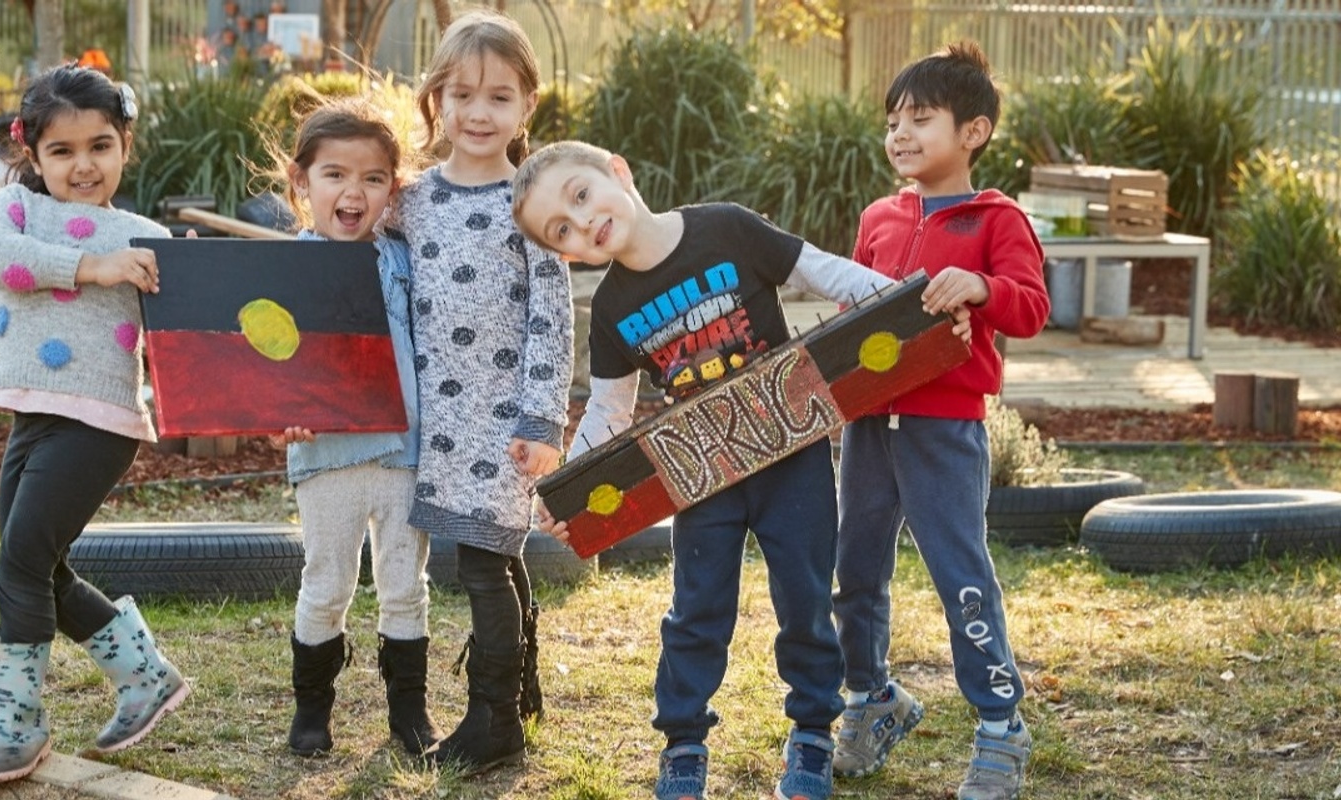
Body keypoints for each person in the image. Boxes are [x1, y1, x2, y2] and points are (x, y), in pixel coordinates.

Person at [514, 139, 969, 800]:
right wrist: (564, 496)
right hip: (701, 475)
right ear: (569, 255)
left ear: (618, 170)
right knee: (696, 611)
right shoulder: (612, 310)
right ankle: (683, 746)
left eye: (581, 197)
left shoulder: (723, 227)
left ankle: (812, 736)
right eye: (564, 229)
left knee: (806, 599)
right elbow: (610, 411)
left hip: (794, 458)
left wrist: (909, 305)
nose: (583, 222)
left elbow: (821, 272)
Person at [829, 41, 1049, 800]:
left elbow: (1030, 308)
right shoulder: (878, 218)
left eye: (921, 118)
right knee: (854, 571)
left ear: (974, 132)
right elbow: (851, 309)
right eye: (894, 120)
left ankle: (999, 727)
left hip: (944, 431)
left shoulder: (997, 217)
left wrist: (982, 287)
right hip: (865, 428)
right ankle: (871, 700)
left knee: (961, 578)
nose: (901, 134)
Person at [0, 64, 190, 785]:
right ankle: (147, 677)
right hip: (32, 414)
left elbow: (207, 317)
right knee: (40, 569)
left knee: (20, 563)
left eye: (100, 146)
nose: (83, 165)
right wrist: (94, 267)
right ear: (32, 154)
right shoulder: (14, 214)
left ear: (126, 145)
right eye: (62, 151)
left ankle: (18, 726)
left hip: (101, 421)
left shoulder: (144, 237)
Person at [388, 8, 573, 772]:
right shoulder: (413, 200)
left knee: (481, 564)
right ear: (436, 99)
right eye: (461, 94)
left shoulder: (536, 205)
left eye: (498, 96)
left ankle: (492, 718)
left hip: (504, 422)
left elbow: (553, 321)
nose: (477, 111)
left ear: (528, 106)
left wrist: (542, 418)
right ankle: (517, 695)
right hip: (436, 421)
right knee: (491, 557)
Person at [262, 97, 441, 759]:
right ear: (299, 182)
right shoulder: (285, 271)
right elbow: (266, 361)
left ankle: (409, 712)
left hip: (405, 450)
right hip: (327, 454)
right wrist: (273, 415)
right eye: (334, 174)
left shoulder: (403, 257)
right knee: (327, 582)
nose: (352, 191)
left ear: (392, 189)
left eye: (372, 178)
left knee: (403, 583)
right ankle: (312, 710)